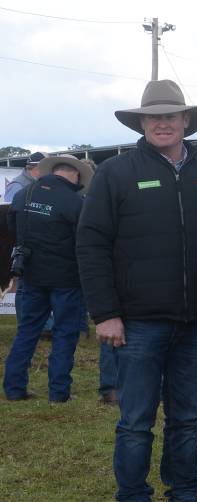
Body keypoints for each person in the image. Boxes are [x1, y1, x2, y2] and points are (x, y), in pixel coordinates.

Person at [76, 79, 197, 502]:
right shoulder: (117, 173)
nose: (163, 122)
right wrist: (105, 312)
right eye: (155, 116)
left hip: (194, 324)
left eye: (172, 115)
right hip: (137, 323)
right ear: (142, 122)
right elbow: (90, 245)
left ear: (186, 121)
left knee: (187, 420)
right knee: (135, 421)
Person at [3, 156, 93, 402]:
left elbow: (12, 227)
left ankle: (13, 388)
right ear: (74, 175)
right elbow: (84, 240)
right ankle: (59, 392)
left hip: (31, 275)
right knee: (65, 333)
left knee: (27, 332)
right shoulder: (75, 202)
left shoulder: (24, 195)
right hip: (66, 279)